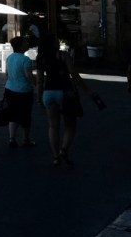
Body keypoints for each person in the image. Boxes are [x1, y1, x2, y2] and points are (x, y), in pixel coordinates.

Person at [37, 34, 98, 166]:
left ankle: (55, 157)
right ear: (53, 43)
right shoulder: (63, 55)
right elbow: (75, 76)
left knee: (53, 126)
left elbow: (40, 81)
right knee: (70, 125)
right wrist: (88, 90)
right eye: (56, 40)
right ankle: (63, 150)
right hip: (64, 92)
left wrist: (39, 97)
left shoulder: (40, 58)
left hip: (48, 92)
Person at [4, 36, 36, 147]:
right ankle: (26, 139)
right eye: (25, 42)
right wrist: (37, 83)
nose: (27, 44)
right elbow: (29, 75)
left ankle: (11, 138)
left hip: (9, 89)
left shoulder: (9, 58)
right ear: (21, 45)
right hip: (24, 91)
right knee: (26, 114)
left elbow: (6, 74)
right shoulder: (25, 59)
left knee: (13, 113)